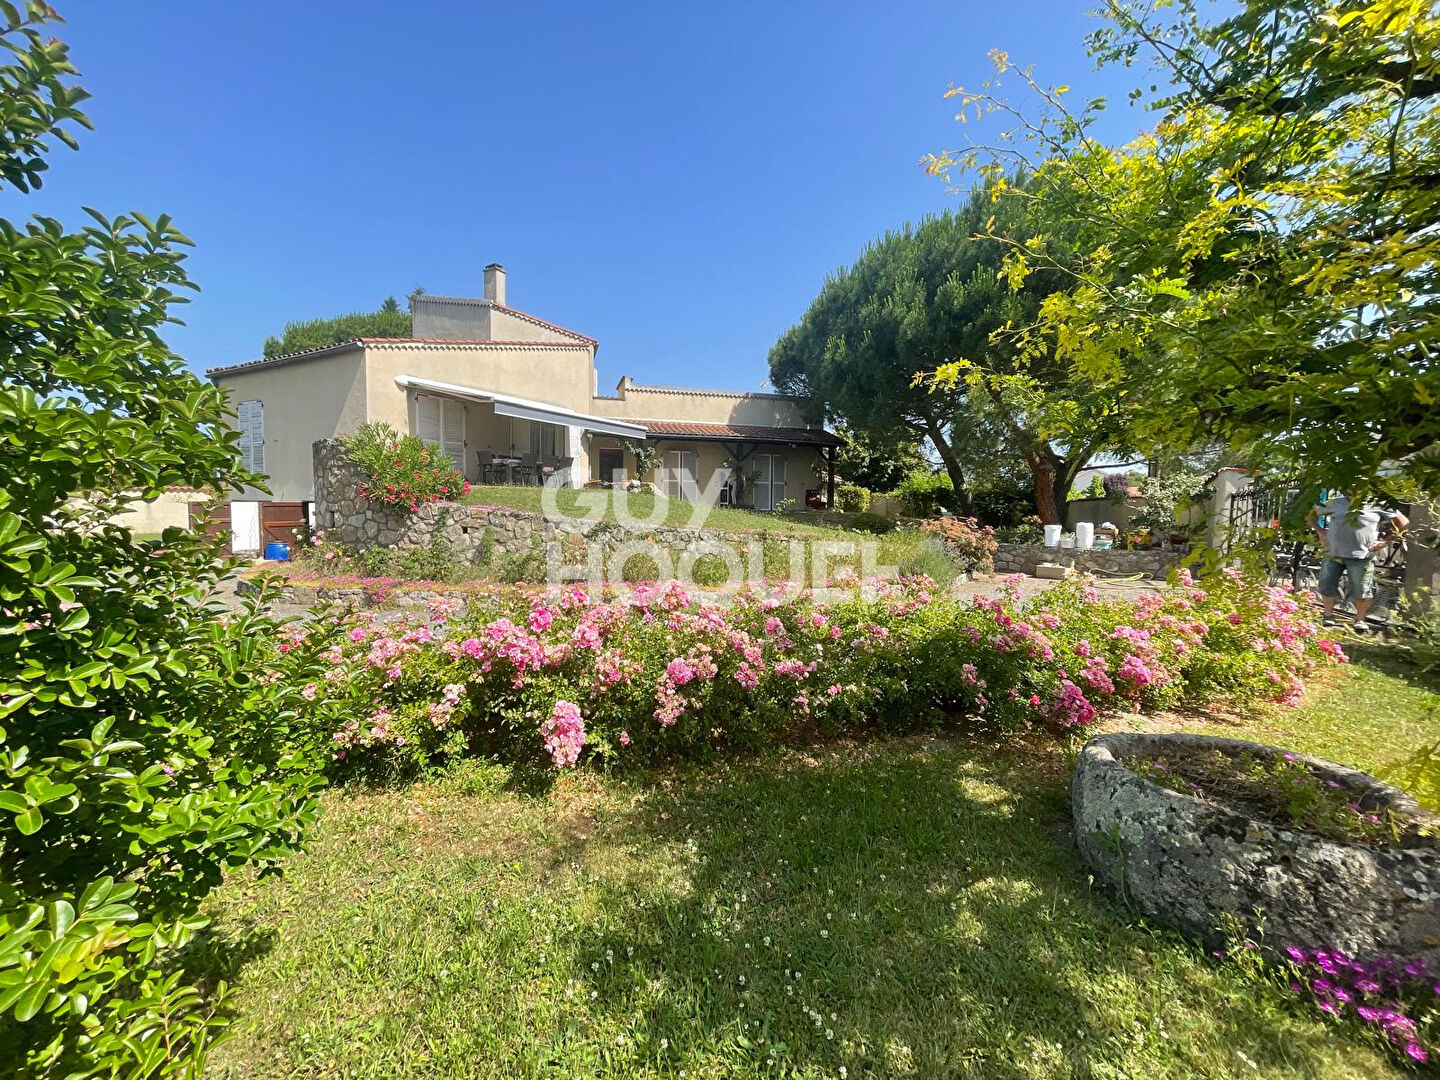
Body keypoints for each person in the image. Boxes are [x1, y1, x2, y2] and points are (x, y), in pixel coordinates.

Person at [1306, 493, 1408, 632]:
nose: (1352, 488)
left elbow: (1403, 523)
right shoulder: (1334, 503)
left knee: (1362, 589)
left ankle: (1360, 620)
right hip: (1333, 552)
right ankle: (1328, 615)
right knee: (1327, 584)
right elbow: (1310, 515)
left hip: (1362, 555)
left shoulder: (1379, 503)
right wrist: (1320, 532)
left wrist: (1385, 542)